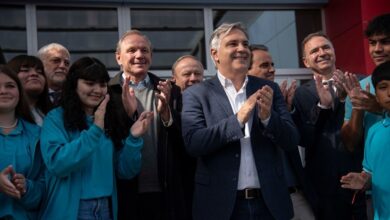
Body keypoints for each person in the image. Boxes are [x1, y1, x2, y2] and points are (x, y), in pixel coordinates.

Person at [181, 22, 299, 220]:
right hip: (220, 206)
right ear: (215, 54)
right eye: (233, 44)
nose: (242, 49)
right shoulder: (197, 94)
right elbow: (194, 143)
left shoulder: (269, 88)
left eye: (245, 44)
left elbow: (291, 140)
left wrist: (268, 118)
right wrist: (237, 120)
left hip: (269, 204)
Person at [39, 57, 153, 220]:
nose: (98, 90)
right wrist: (95, 129)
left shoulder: (109, 118)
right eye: (90, 83)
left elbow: (125, 171)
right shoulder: (56, 118)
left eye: (102, 84)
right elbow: (58, 164)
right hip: (73, 208)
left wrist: (133, 139)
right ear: (74, 85)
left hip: (105, 207)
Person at [110, 29, 186, 220]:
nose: (139, 55)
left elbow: (183, 140)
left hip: (165, 191)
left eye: (144, 50)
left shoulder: (170, 90)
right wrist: (128, 116)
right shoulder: (107, 92)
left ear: (151, 56)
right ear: (118, 57)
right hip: (123, 191)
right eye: (132, 50)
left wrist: (166, 113)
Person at [292, 31, 366, 219]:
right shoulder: (300, 95)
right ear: (306, 62)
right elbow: (305, 138)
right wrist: (323, 107)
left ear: (334, 51)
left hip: (361, 179)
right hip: (322, 185)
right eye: (314, 51)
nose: (322, 53)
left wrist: (344, 100)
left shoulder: (360, 82)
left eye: (326, 47)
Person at [248, 44, 317, 219]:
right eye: (264, 65)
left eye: (272, 65)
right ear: (247, 70)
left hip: (296, 195)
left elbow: (299, 139)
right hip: (263, 201)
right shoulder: (241, 105)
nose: (272, 70)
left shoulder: (280, 99)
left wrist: (285, 112)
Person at [340, 13, 390, 220]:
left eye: (385, 42)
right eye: (372, 43)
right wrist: (359, 110)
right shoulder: (359, 87)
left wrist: (380, 108)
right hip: (379, 191)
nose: (377, 49)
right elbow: (350, 143)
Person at [0, 65, 45, 219]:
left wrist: (27, 187)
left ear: (19, 92)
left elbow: (46, 189)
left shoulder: (38, 135)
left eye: (10, 86)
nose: (3, 91)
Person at [7, 55, 52, 125]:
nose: (34, 74)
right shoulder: (5, 115)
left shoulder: (55, 114)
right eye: (25, 70)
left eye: (39, 72)